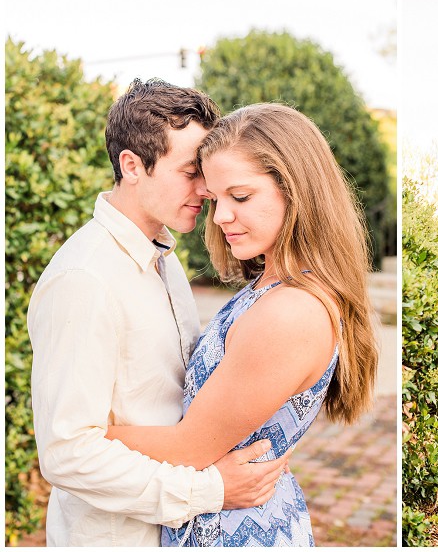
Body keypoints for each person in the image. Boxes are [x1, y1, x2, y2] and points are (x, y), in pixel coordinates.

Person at [103, 102, 379, 546]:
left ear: (296, 189)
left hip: (237, 531)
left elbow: (190, 448)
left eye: (241, 196)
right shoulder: (273, 284)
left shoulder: (291, 310)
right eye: (216, 199)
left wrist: (82, 436)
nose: (220, 216)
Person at [29, 79, 287, 546]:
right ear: (132, 165)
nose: (207, 190)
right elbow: (66, 452)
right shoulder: (84, 279)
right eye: (191, 171)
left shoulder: (163, 258)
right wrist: (210, 489)